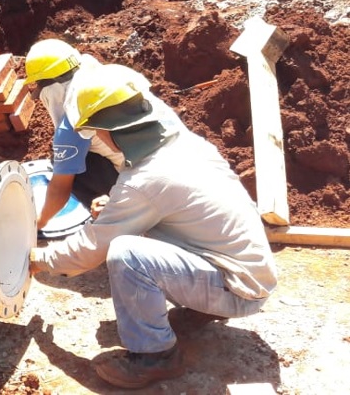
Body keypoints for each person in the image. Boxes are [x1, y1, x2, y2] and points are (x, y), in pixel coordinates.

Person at [30, 63, 278, 389]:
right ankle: (200, 308)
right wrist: (118, 210)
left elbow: (91, 250)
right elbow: (176, 208)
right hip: (247, 268)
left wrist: (38, 259)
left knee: (125, 253)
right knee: (132, 228)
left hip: (239, 288)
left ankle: (156, 357)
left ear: (107, 132)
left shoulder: (145, 181)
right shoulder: (182, 146)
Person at [23, 39, 123, 231]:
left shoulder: (72, 124)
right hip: (160, 158)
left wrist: (39, 222)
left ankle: (113, 214)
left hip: (140, 183)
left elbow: (60, 189)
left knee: (66, 166)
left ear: (53, 88)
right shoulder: (107, 78)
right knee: (71, 157)